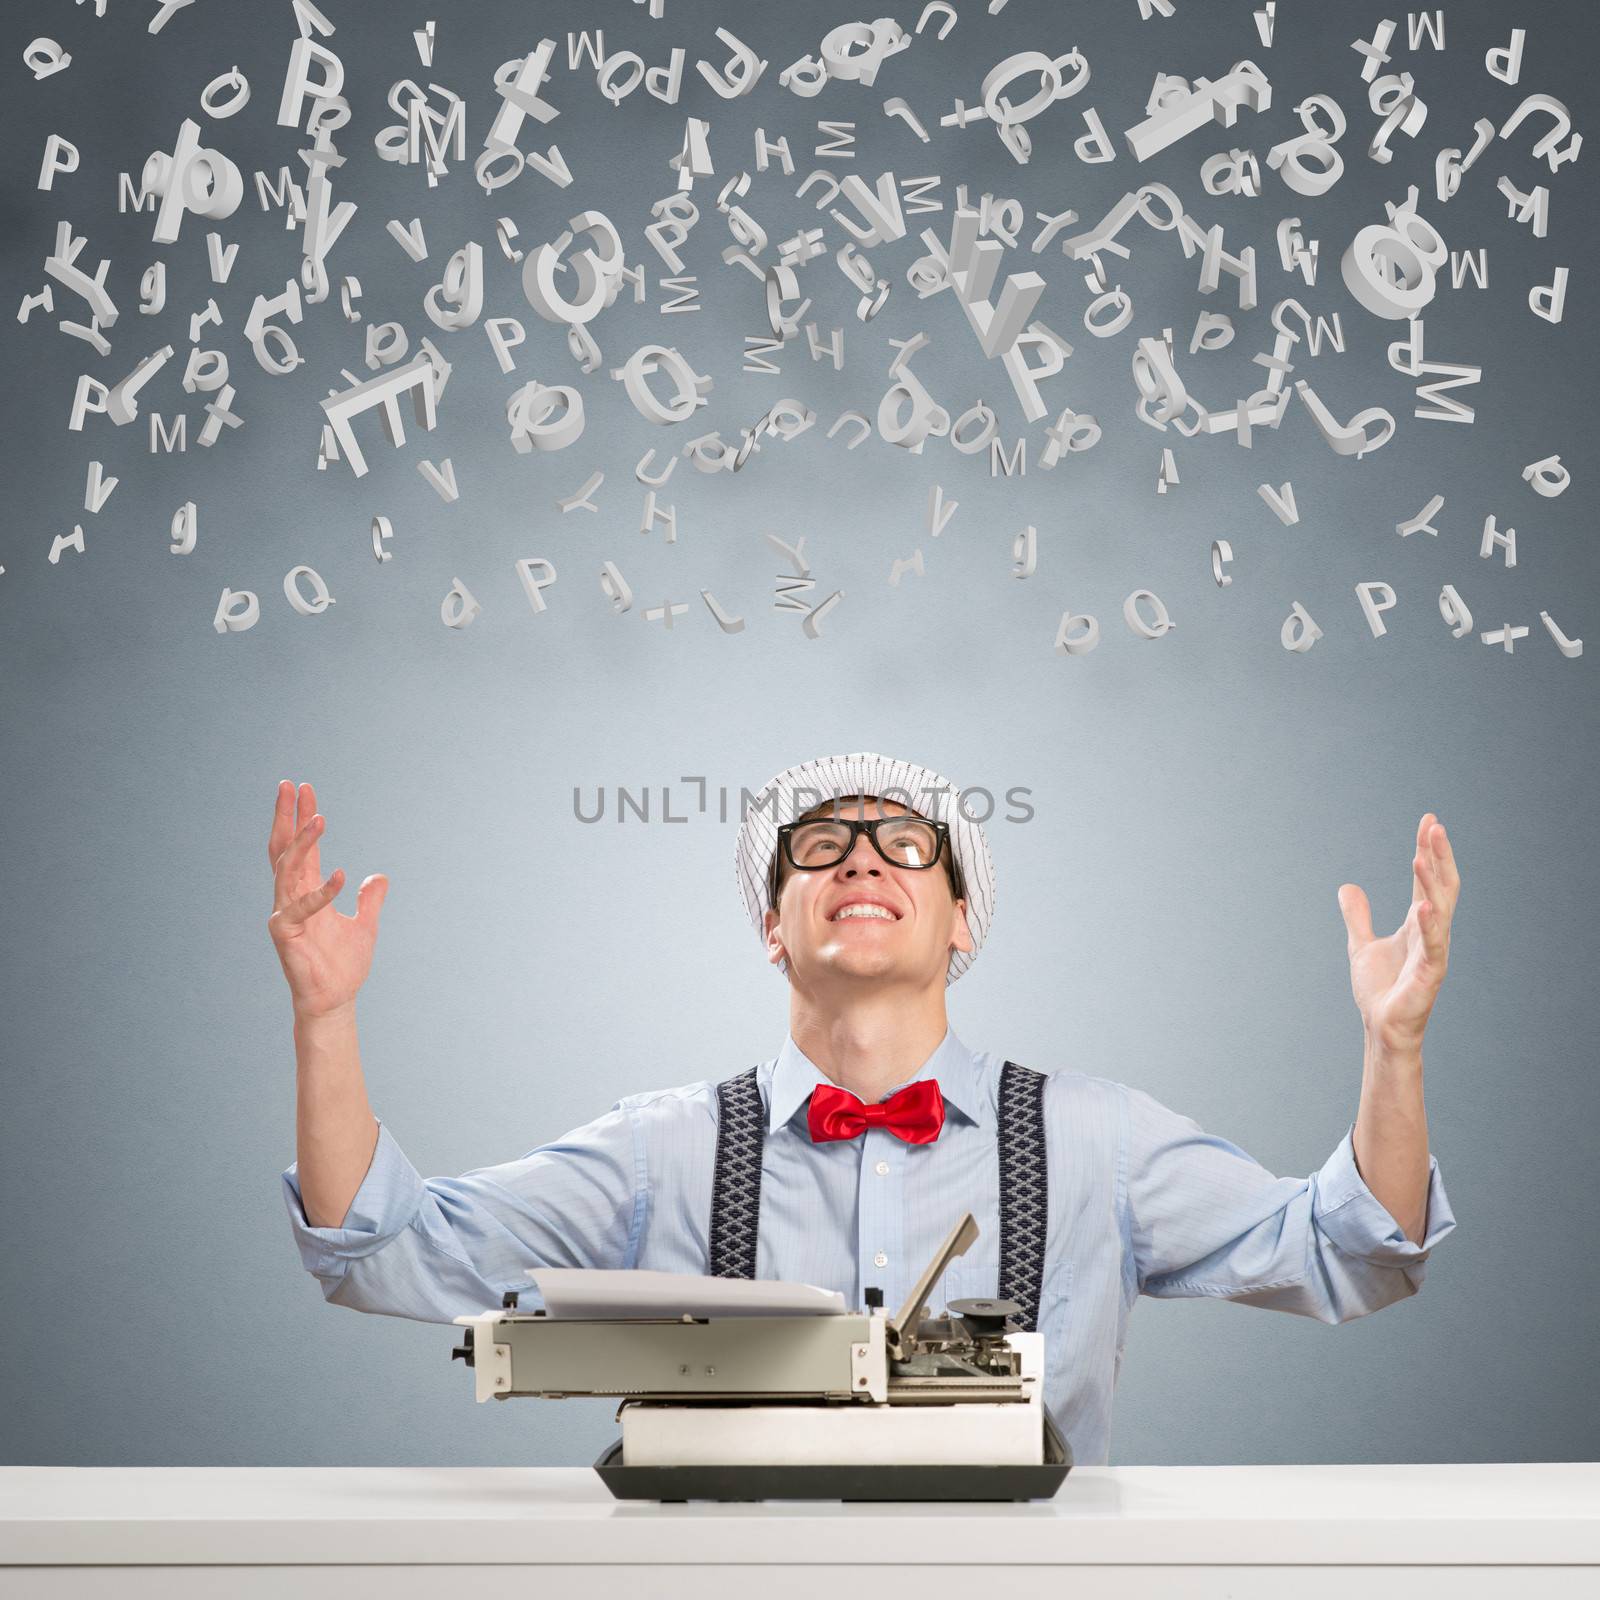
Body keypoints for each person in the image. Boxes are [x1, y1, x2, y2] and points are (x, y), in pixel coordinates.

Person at [272, 751, 1460, 1466]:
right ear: (769, 924)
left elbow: (1349, 1251)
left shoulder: (1099, 1138)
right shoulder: (660, 1149)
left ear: (960, 920)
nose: (860, 859)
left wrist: (1391, 1044)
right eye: (820, 845)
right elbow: (383, 1248)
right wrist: (325, 1016)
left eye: (905, 843)